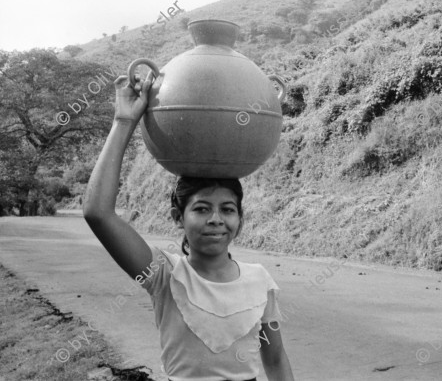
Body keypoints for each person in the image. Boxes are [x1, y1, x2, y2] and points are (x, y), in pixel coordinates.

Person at [83, 72, 294, 381]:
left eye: (227, 209)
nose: (216, 220)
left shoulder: (260, 279)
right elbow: (98, 213)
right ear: (177, 216)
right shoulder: (164, 274)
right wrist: (123, 121)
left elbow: (274, 360)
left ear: (240, 219)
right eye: (201, 208)